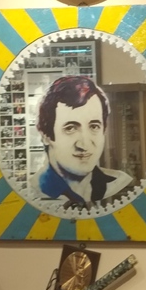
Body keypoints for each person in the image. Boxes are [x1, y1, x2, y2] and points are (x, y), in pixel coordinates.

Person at [36, 76, 133, 204]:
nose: (84, 144)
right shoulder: (33, 191)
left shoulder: (119, 183)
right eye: (70, 128)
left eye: (94, 127)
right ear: (46, 136)